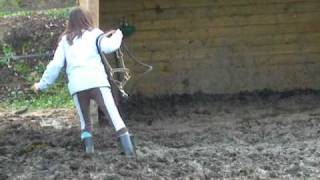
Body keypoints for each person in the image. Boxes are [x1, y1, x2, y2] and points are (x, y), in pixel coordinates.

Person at [32, 7, 135, 157]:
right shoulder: (96, 34)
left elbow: (55, 65)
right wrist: (119, 33)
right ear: (86, 19)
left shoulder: (65, 41)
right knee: (114, 117)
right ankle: (129, 152)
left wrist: (41, 85)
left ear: (71, 22)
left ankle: (89, 152)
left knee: (85, 122)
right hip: (97, 82)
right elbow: (111, 46)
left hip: (77, 86)